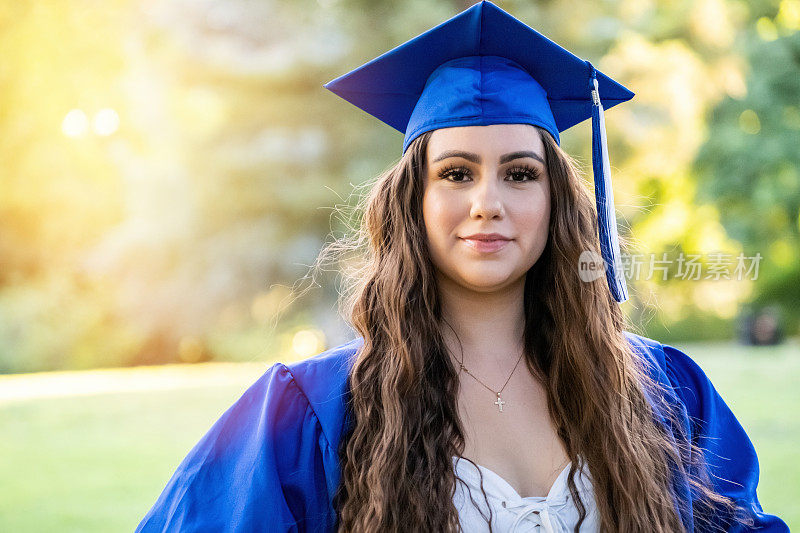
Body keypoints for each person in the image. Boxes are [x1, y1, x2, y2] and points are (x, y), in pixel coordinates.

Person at [136, 2, 789, 532]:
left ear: (556, 200)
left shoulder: (663, 393)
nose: (488, 202)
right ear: (411, 202)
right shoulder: (312, 414)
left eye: (520, 173)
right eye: (455, 173)